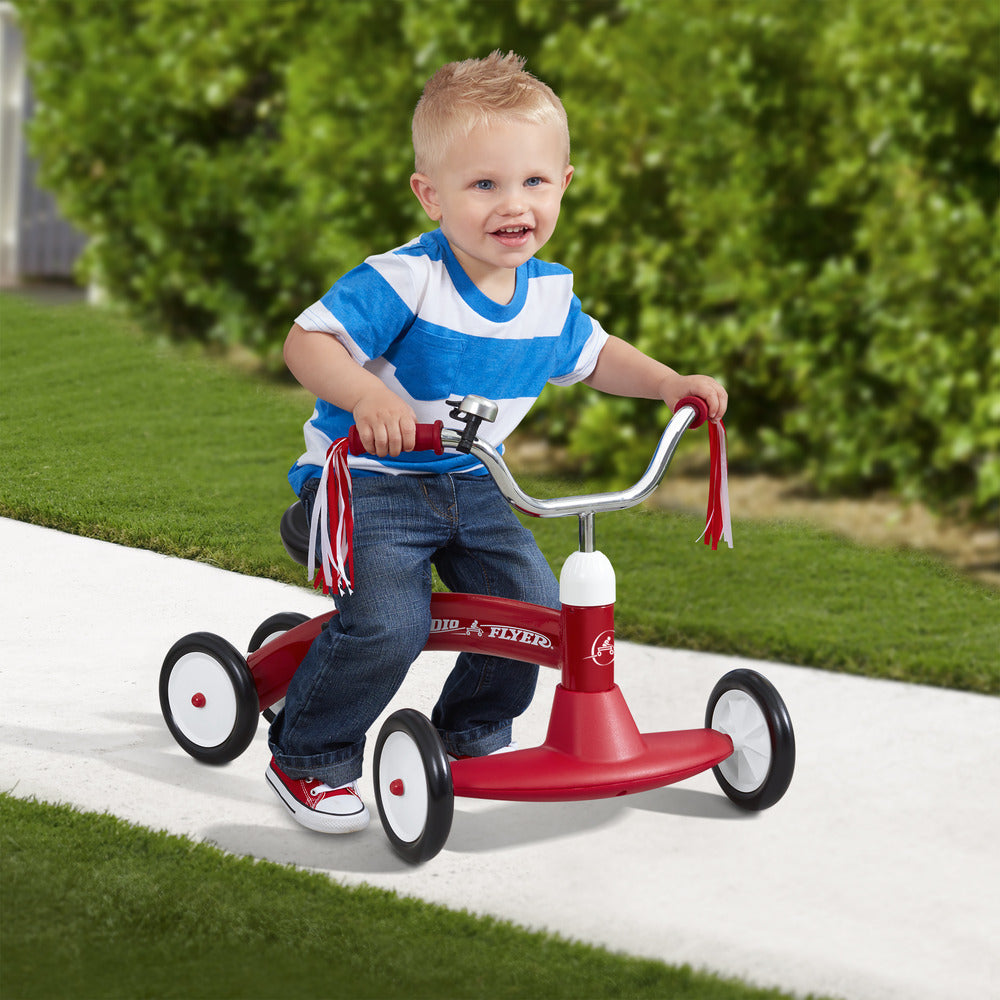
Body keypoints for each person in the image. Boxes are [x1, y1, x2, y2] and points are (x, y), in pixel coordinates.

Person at [266, 51, 727, 834]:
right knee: (392, 623)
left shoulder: (550, 294)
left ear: (564, 185)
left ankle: (470, 736)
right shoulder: (407, 279)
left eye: (533, 183)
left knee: (533, 611)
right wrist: (368, 395)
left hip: (472, 485)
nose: (512, 205)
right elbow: (307, 343)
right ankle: (309, 755)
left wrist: (666, 382)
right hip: (364, 484)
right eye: (484, 185)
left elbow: (595, 356)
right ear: (430, 194)